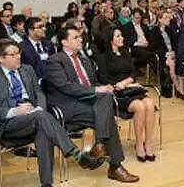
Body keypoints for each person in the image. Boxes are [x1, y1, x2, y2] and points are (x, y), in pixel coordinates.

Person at [0, 39, 103, 186]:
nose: (18, 56)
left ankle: (46, 184)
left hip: (35, 116)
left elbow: (38, 92)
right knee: (42, 119)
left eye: (19, 52)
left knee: (43, 129)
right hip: (9, 123)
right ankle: (76, 154)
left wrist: (40, 107)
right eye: (13, 54)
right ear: (1, 58)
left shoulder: (27, 69)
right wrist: (16, 111)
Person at [43, 27, 139, 183]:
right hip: (69, 106)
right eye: (75, 37)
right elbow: (67, 87)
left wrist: (104, 87)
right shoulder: (55, 61)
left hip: (89, 104)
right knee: (107, 117)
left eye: (80, 37)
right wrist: (96, 90)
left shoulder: (84, 60)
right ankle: (115, 166)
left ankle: (101, 146)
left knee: (106, 98)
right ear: (64, 42)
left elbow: (94, 83)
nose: (81, 40)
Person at [97, 28, 156, 162]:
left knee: (150, 105)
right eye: (118, 36)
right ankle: (139, 144)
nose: (122, 38)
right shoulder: (102, 57)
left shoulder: (125, 53)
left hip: (131, 89)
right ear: (111, 40)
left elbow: (135, 73)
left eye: (121, 35)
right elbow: (103, 79)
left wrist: (127, 82)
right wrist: (121, 84)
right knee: (140, 107)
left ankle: (148, 142)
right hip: (117, 93)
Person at [148, 11, 181, 98]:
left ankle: (178, 87)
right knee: (172, 64)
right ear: (159, 19)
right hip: (162, 56)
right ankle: (178, 88)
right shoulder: (154, 31)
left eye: (168, 17)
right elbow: (153, 48)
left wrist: (174, 52)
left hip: (172, 54)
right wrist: (166, 53)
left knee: (181, 61)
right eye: (165, 17)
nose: (168, 19)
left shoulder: (169, 30)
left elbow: (175, 44)